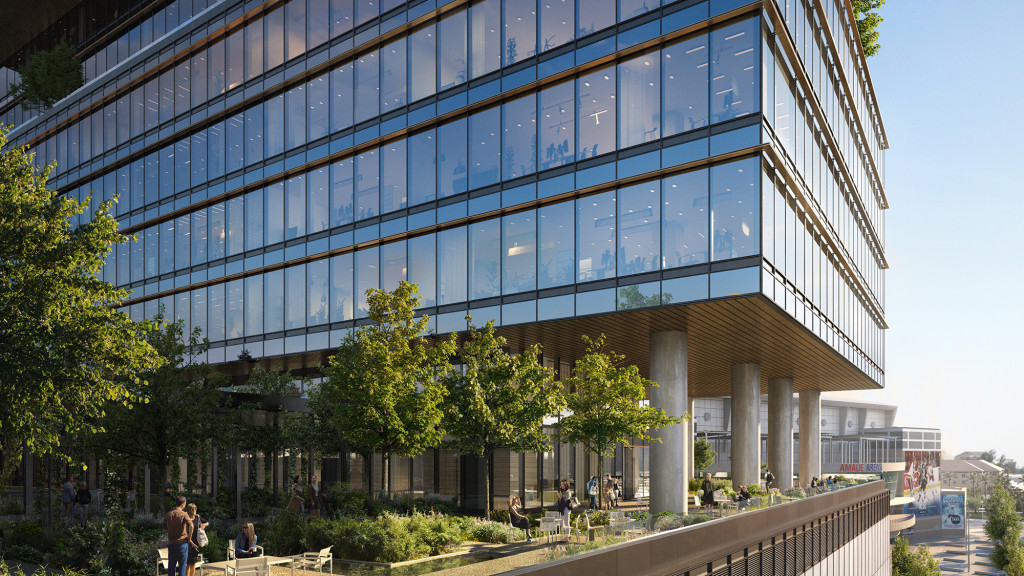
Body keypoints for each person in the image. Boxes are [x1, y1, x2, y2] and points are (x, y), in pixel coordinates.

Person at [162, 496, 192, 576]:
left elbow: (164, 528)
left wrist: (172, 530)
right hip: (182, 543)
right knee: (182, 567)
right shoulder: (184, 514)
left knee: (171, 567)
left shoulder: (168, 514)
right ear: (183, 504)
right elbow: (191, 525)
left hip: (171, 544)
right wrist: (189, 537)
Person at [186, 503, 209, 576]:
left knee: (193, 562)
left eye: (195, 509)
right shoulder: (186, 518)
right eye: (192, 509)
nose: (194, 510)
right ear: (189, 510)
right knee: (187, 563)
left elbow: (207, 523)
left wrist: (203, 525)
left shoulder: (197, 517)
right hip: (187, 542)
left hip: (195, 542)